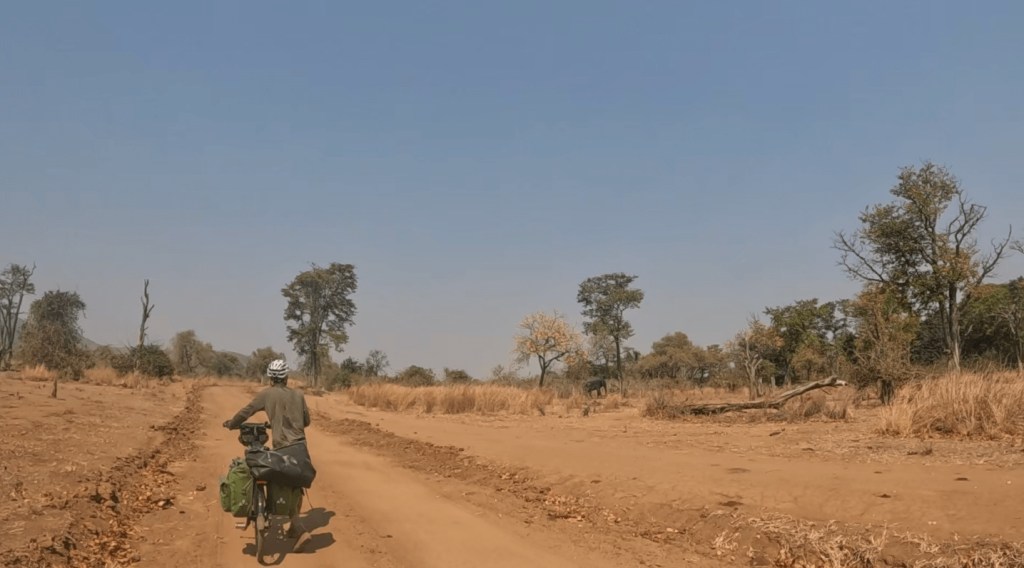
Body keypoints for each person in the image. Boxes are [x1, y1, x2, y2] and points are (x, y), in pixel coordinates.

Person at [223, 359, 312, 552]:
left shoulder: (266, 394)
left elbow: (246, 412)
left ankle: (289, 523)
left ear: (271, 378)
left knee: (276, 480)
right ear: (287, 377)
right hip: (300, 447)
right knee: (296, 487)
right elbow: (306, 421)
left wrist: (231, 424)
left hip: (282, 447)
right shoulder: (298, 394)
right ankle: (296, 527)